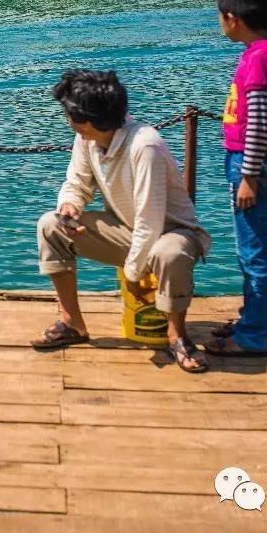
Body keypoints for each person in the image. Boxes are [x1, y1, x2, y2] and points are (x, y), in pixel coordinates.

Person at [34, 69, 211, 373]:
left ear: (87, 119)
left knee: (167, 252)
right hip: (129, 231)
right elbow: (77, 184)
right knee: (51, 226)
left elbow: (151, 221)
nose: (67, 120)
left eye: (69, 113)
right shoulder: (87, 139)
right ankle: (72, 323)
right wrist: (69, 207)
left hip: (174, 233)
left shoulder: (145, 145)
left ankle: (177, 336)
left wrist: (132, 274)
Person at [206, 0, 267, 358]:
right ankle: (252, 320)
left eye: (219, 16)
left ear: (231, 17)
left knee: (254, 250)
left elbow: (260, 121)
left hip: (251, 165)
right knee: (253, 246)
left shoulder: (259, 60)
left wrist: (249, 175)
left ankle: (252, 336)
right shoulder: (264, 54)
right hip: (256, 162)